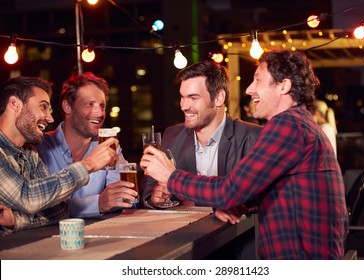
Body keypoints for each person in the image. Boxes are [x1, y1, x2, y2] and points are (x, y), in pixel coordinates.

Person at [140, 49, 348, 259]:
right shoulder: (299, 123)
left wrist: (170, 176)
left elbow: (227, 191)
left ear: (283, 86)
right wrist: (241, 204)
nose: (249, 89)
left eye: (257, 80)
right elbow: (280, 188)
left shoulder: (287, 126)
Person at [141, 60, 262, 225]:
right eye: (182, 97)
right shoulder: (172, 135)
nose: (184, 106)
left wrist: (240, 205)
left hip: (235, 240)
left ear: (218, 98)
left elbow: (260, 193)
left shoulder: (252, 137)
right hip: (185, 239)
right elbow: (150, 181)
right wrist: (154, 197)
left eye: (193, 98)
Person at [0, 76, 119, 236]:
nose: (50, 118)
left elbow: (60, 211)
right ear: (15, 104)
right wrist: (88, 165)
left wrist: (16, 220)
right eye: (43, 107)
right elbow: (28, 197)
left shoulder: (30, 153)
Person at [36, 72, 137, 218]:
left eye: (102, 106)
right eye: (90, 104)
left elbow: (129, 197)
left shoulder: (108, 145)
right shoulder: (40, 147)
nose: (99, 113)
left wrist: (121, 198)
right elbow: (41, 205)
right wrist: (98, 203)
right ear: (67, 106)